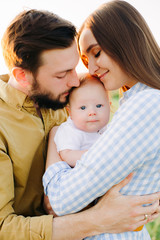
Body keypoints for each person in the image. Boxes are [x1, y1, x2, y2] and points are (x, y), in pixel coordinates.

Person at [0, 6, 159, 240]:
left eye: (75, 68)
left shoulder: (68, 105)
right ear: (23, 76)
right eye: (61, 74)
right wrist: (96, 220)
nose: (76, 81)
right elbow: (3, 228)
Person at [53, 73, 110, 167]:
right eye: (83, 108)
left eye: (99, 106)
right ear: (70, 112)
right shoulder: (70, 130)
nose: (92, 112)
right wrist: (98, 156)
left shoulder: (108, 129)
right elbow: (67, 156)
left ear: (109, 106)